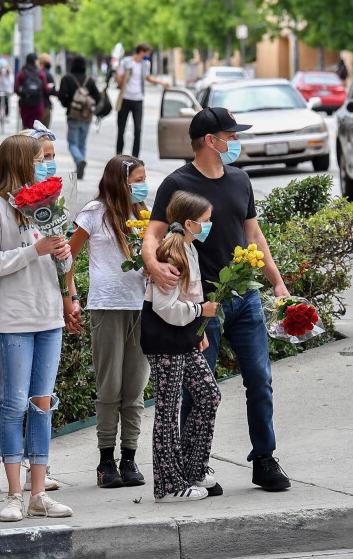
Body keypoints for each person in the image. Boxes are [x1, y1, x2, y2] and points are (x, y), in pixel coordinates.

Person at [142, 106, 292, 492]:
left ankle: (264, 458)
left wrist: (276, 283)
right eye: (232, 136)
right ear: (211, 141)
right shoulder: (177, 183)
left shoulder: (240, 180)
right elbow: (153, 235)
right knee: (197, 388)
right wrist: (154, 267)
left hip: (245, 299)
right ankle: (194, 467)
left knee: (260, 380)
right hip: (201, 305)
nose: (236, 143)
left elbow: (254, 237)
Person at [0, 122, 80, 497]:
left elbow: (58, 266)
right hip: (14, 318)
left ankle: (37, 494)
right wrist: (33, 251)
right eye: (39, 159)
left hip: (48, 314)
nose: (45, 166)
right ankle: (11, 490)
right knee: (12, 403)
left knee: (41, 403)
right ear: (20, 163)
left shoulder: (46, 207)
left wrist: (63, 257)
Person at [66, 155, 149, 488]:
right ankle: (105, 462)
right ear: (121, 181)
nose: (143, 185)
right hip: (107, 308)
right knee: (109, 389)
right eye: (138, 179)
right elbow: (66, 259)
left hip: (142, 308)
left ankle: (129, 458)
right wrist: (70, 297)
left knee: (135, 388)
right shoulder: (93, 213)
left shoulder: (144, 214)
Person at [141, 191, 221, 502]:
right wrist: (202, 313)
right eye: (205, 221)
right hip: (165, 343)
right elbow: (166, 308)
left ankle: (192, 467)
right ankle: (169, 485)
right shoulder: (173, 253)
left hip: (183, 339)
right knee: (167, 409)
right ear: (189, 223)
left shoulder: (189, 249)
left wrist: (196, 329)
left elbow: (187, 299)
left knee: (208, 394)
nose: (209, 225)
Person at [115, 42, 169, 158]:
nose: (148, 55)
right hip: (125, 99)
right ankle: (118, 155)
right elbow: (118, 79)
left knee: (138, 130)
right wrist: (124, 75)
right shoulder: (126, 62)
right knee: (121, 129)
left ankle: (135, 157)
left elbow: (147, 77)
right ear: (141, 52)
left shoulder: (146, 64)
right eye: (147, 53)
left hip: (138, 100)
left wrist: (161, 82)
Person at [58, 55, 101, 179]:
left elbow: (61, 95)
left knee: (72, 143)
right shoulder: (89, 80)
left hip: (73, 115)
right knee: (82, 143)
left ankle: (79, 161)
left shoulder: (67, 78)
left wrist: (69, 105)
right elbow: (98, 97)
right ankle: (79, 166)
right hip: (87, 116)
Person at [14, 53, 51, 129]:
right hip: (38, 104)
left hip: (25, 104)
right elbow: (46, 89)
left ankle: (26, 141)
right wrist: (50, 88)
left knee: (26, 127)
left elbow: (16, 88)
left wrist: (23, 95)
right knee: (37, 127)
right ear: (35, 61)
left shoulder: (21, 73)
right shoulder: (40, 73)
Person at [38, 53, 57, 128]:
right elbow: (52, 91)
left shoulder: (36, 73)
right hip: (45, 106)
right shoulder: (47, 74)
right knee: (44, 131)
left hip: (35, 104)